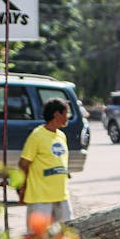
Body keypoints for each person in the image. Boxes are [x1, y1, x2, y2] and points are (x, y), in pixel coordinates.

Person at [19, 98, 72, 229]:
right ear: (57, 114)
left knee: (66, 236)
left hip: (61, 196)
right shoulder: (37, 135)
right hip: (40, 198)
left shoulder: (61, 136)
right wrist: (22, 188)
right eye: (66, 113)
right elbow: (23, 164)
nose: (68, 117)